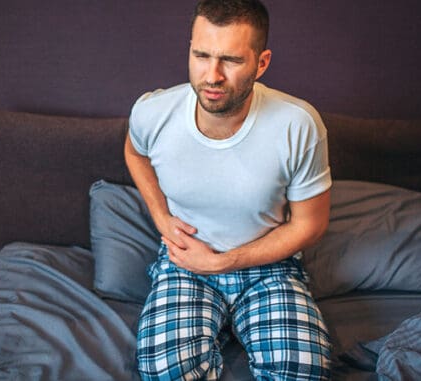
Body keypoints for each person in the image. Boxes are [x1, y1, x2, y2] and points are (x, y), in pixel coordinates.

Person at [124, 0, 332, 379]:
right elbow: (134, 151)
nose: (212, 75)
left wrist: (222, 262)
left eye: (231, 60)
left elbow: (310, 226)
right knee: (163, 372)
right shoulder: (152, 112)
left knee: (302, 372)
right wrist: (160, 215)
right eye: (201, 55)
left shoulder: (299, 124)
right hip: (185, 262)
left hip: (270, 266)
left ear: (261, 62)